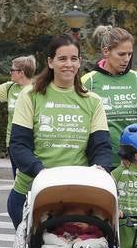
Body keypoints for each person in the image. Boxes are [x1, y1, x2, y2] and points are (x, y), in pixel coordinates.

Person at [8, 35, 112, 226]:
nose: (68, 64)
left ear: (80, 62)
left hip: (77, 194)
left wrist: (100, 170)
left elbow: (102, 147)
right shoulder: (31, 95)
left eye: (74, 59)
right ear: (50, 62)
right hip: (32, 191)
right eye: (62, 59)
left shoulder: (93, 101)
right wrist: (41, 171)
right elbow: (18, 145)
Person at [81, 25, 137, 151]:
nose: (126, 59)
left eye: (129, 54)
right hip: (101, 157)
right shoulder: (88, 81)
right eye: (121, 54)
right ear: (106, 51)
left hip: (132, 158)